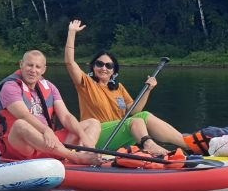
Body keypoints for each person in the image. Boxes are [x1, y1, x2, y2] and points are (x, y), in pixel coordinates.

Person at [63, 20, 183, 155]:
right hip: (96, 136)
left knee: (144, 115)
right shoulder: (85, 83)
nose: (104, 68)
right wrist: (72, 32)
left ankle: (187, 144)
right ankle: (150, 146)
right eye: (99, 64)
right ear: (93, 66)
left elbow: (134, 110)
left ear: (114, 71)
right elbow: (69, 62)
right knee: (134, 121)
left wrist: (148, 90)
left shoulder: (118, 88)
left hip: (118, 133)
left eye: (109, 66)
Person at [0, 50, 105, 165]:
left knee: (93, 123)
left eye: (38, 67)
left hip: (49, 144)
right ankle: (74, 157)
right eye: (29, 65)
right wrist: (47, 130)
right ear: (21, 64)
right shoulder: (10, 87)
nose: (33, 70)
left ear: (44, 70)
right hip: (22, 146)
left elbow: (66, 116)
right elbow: (24, 115)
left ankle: (85, 155)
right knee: (20, 124)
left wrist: (84, 138)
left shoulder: (50, 87)